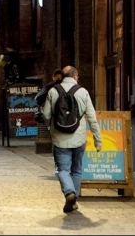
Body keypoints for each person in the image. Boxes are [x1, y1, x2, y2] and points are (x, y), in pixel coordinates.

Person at [42, 65, 102, 213]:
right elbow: (92, 118)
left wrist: (50, 125)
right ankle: (73, 199)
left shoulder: (53, 91)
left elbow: (46, 115)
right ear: (75, 75)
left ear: (63, 76)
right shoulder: (83, 92)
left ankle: (69, 193)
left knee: (62, 170)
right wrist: (97, 140)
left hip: (59, 139)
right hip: (79, 138)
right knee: (76, 170)